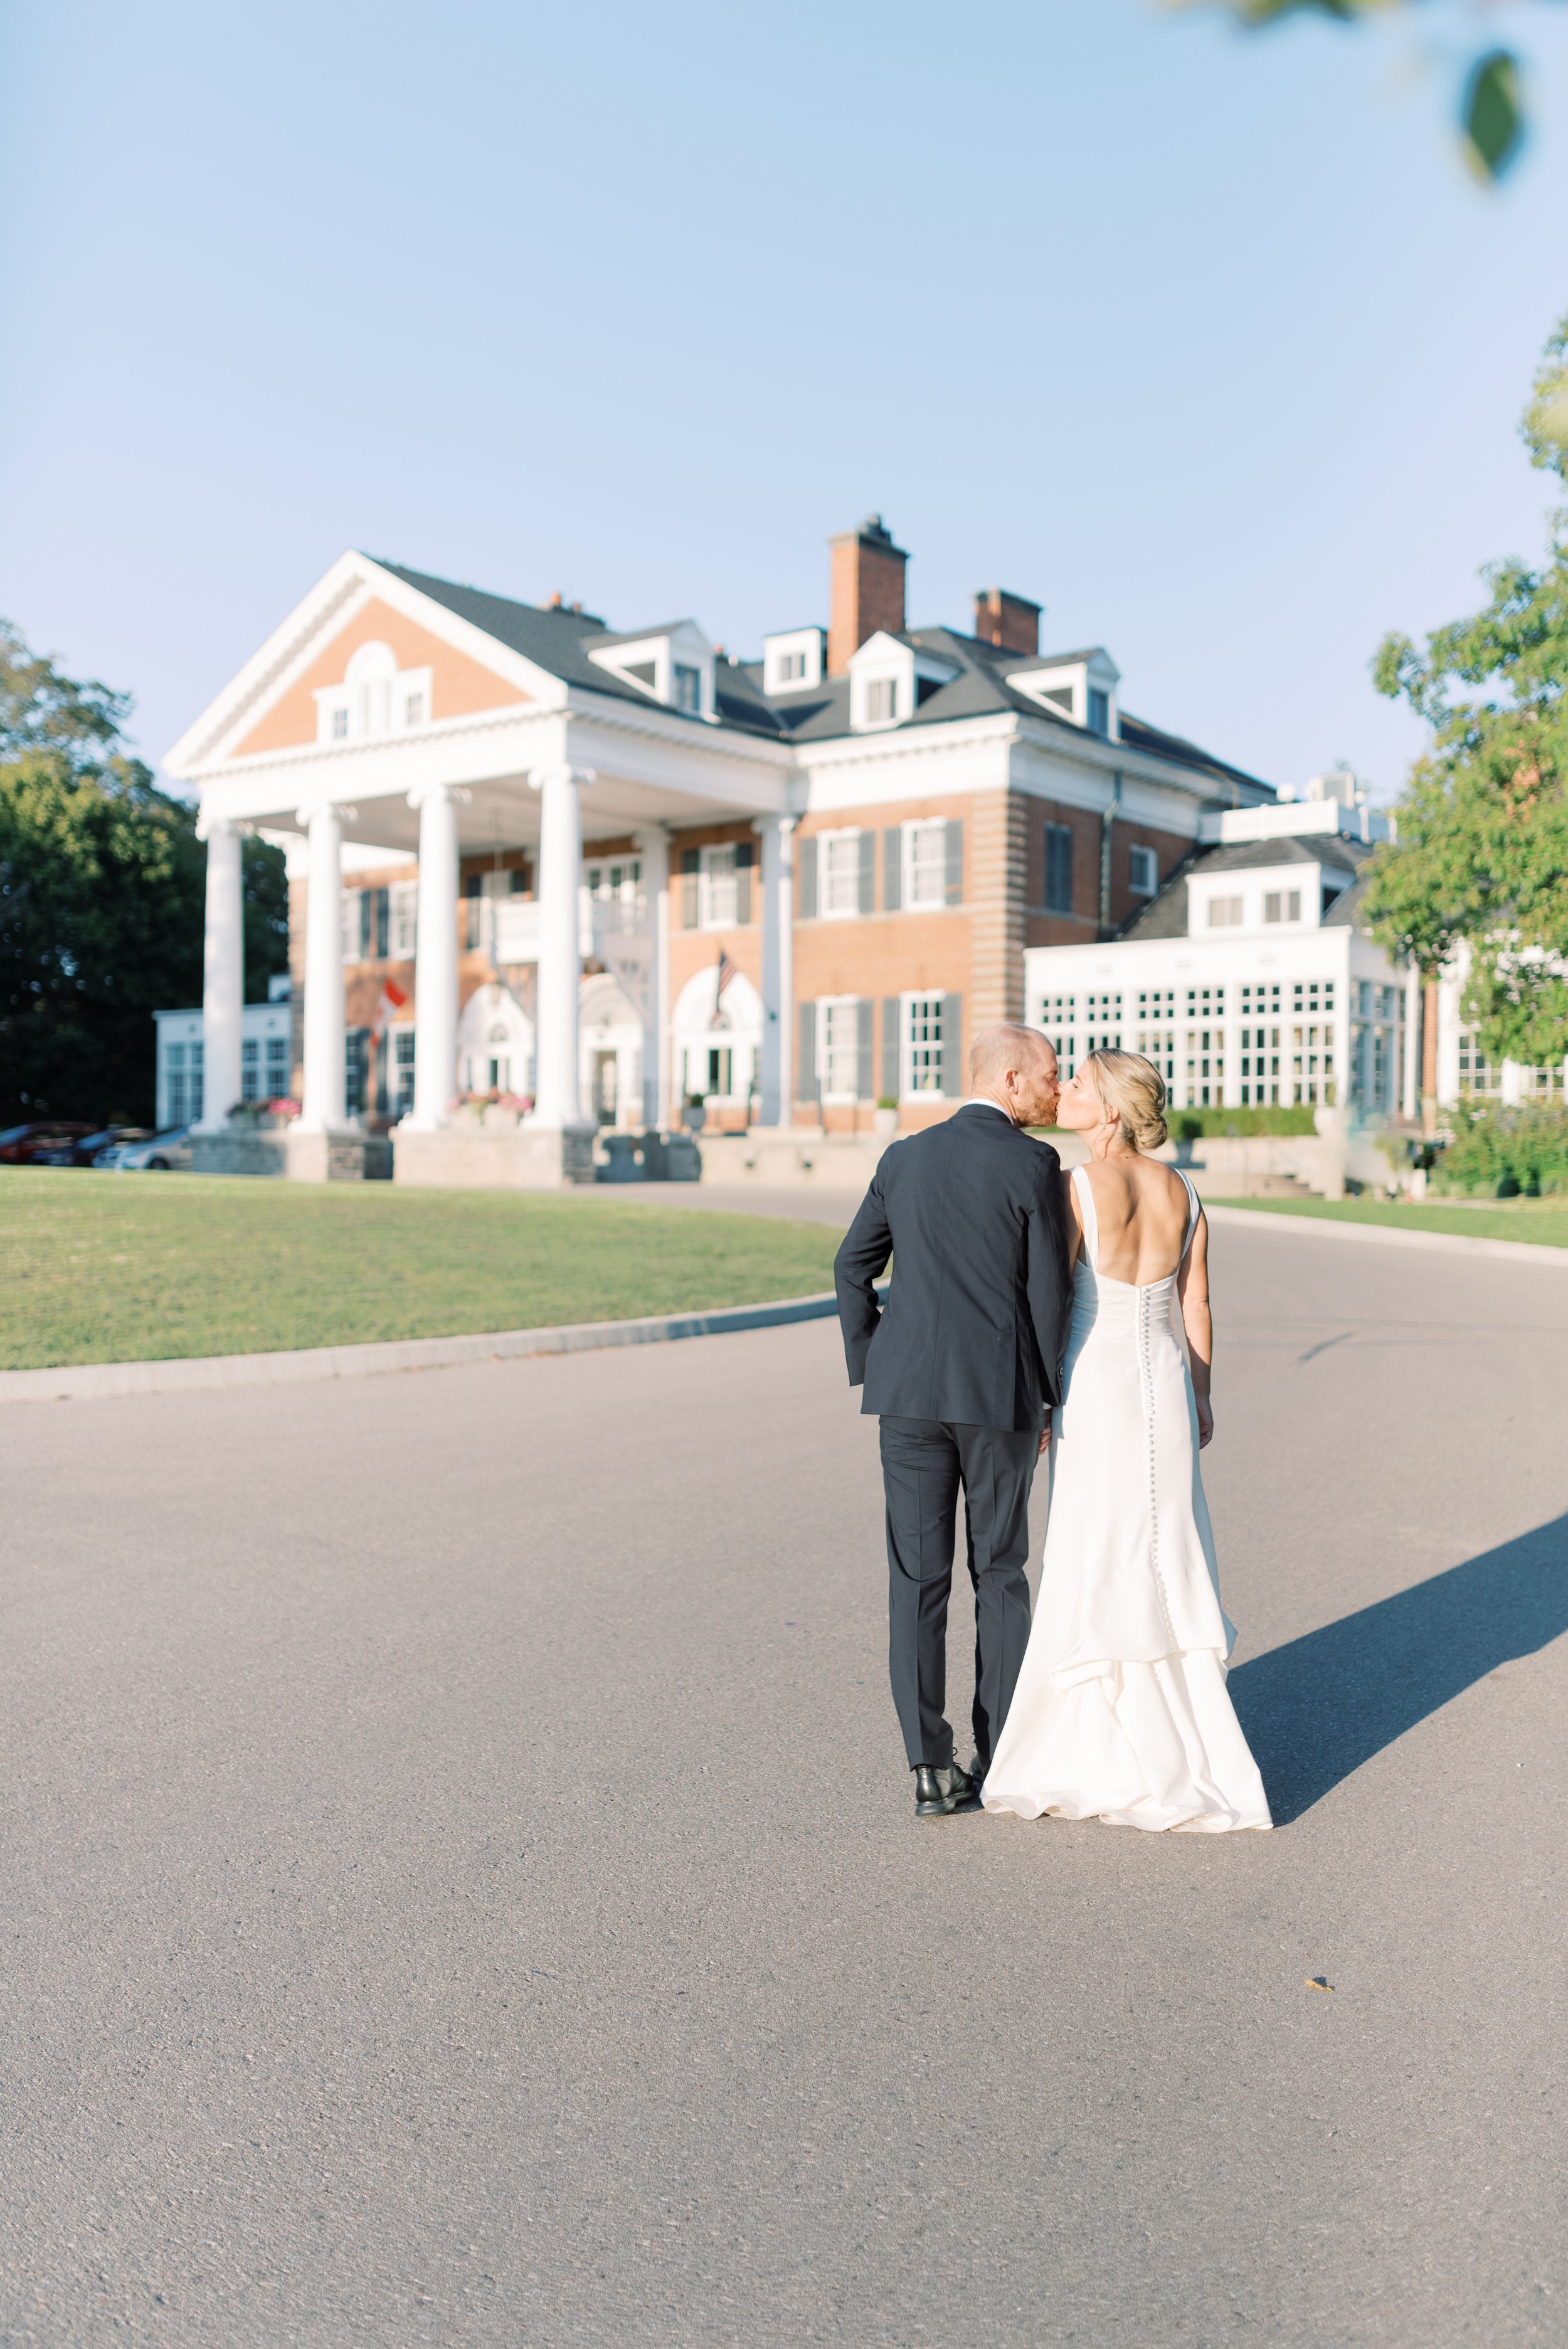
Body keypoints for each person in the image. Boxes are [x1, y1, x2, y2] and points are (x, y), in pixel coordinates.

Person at [982, 1049, 1272, 1833]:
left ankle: (1098, 1745)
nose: (1063, 1091)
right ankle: (1188, 1746)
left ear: (1109, 1109)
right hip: (1167, 1383)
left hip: (1098, 1381)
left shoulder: (1077, 1186)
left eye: (1076, 1084)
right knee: (1164, 1548)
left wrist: (1041, 1398)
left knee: (1093, 1546)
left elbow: (1047, 1299)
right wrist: (1203, 1393)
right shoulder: (1186, 1191)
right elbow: (1198, 1299)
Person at [834, 1024, 1072, 1819]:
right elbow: (1047, 1297)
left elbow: (850, 1264)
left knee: (916, 1579)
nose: (1056, 1087)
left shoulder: (904, 1157)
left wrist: (876, 1357)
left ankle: (929, 1771)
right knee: (999, 1573)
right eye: (1047, 1075)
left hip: (905, 1399)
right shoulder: (1032, 1164)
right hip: (996, 1397)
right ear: (1009, 1079)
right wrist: (1048, 1394)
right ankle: (998, 1754)